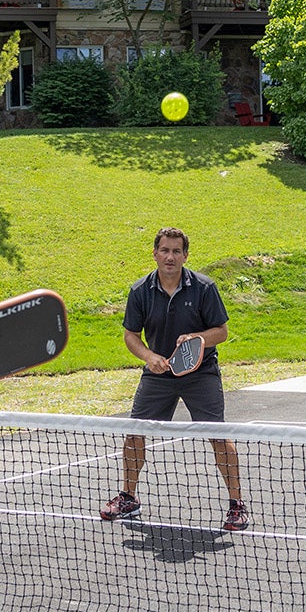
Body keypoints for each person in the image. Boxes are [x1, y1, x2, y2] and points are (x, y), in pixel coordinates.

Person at [100, 227, 247, 532]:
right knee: (134, 431)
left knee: (218, 435)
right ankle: (128, 497)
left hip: (200, 373)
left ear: (185, 256)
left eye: (176, 251)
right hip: (159, 373)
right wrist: (148, 356)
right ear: (155, 254)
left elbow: (221, 331)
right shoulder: (140, 290)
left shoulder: (204, 288)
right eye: (164, 250)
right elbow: (131, 335)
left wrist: (198, 338)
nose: (170, 257)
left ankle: (236, 505)